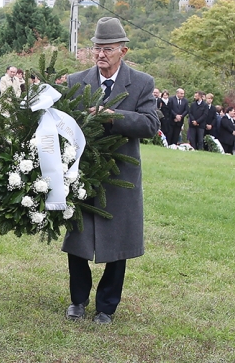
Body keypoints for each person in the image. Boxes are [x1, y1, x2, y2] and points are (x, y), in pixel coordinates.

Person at [63, 18, 159, 325]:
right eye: (96, 48)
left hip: (121, 177)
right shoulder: (76, 80)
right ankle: (78, 300)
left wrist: (112, 115)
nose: (100, 55)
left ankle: (106, 306)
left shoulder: (142, 82)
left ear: (123, 51)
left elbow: (150, 125)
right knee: (78, 239)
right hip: (82, 172)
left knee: (118, 242)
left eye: (108, 49)